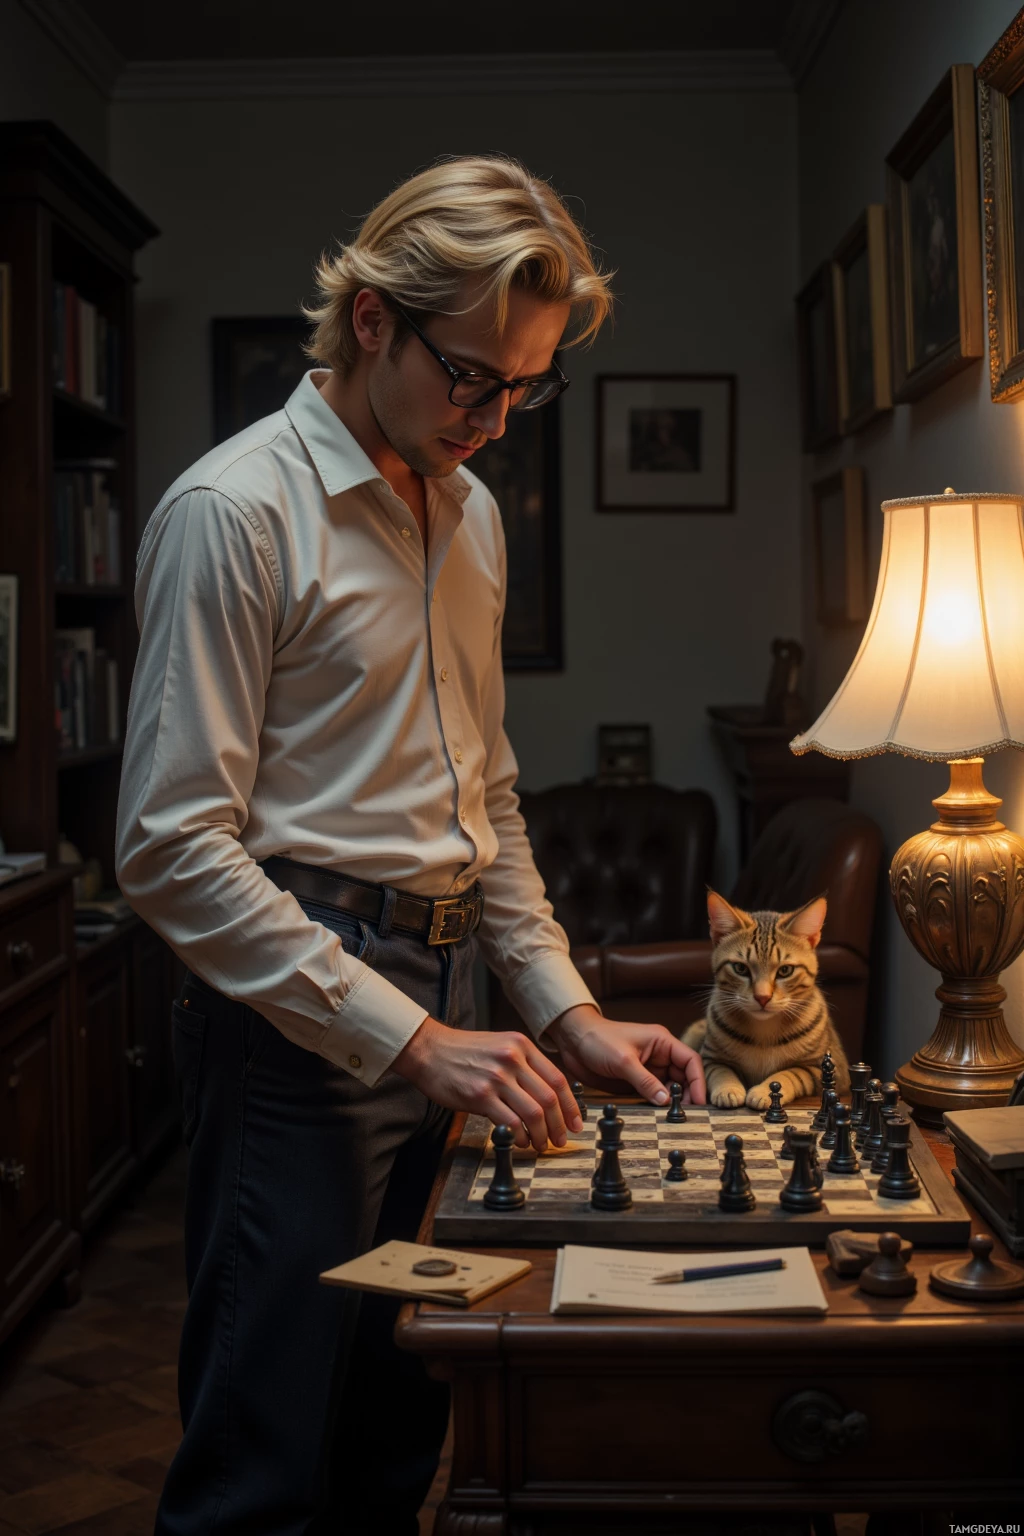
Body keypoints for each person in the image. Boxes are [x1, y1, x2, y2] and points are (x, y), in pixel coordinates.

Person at [116, 154, 706, 1536]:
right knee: (263, 1457)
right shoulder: (234, 513)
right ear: (372, 318)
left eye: (526, 386)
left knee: (396, 1433)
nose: (498, 420)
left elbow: (485, 803)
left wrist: (565, 1013)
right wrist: (412, 1040)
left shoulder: (473, 513)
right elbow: (168, 846)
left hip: (450, 1009)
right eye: (475, 379)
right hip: (301, 1023)